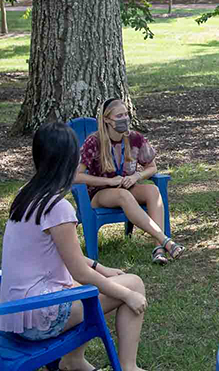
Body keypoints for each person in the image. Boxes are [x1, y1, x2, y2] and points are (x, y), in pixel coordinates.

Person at [0, 121, 166, 371]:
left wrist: (102, 268)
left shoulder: (25, 197)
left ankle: (73, 360)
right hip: (40, 317)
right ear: (66, 162)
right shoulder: (58, 207)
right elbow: (78, 271)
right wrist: (127, 295)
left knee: (88, 283)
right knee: (134, 283)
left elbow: (64, 255)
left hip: (17, 314)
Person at [75, 98, 181, 263]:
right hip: (99, 194)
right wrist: (108, 182)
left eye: (126, 114)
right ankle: (165, 240)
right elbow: (77, 176)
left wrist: (136, 176)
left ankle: (158, 250)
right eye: (119, 116)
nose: (124, 119)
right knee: (123, 195)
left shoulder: (135, 138)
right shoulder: (94, 141)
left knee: (152, 190)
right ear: (107, 120)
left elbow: (152, 167)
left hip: (127, 186)